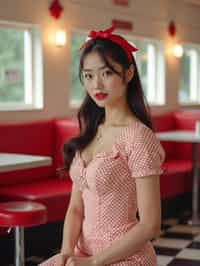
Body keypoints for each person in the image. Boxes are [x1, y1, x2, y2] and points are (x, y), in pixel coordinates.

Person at [40, 25, 165, 266]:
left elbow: (151, 225)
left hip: (124, 256)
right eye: (88, 75)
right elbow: (76, 208)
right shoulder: (90, 131)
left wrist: (94, 262)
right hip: (81, 253)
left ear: (128, 74)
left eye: (106, 73)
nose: (96, 84)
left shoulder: (138, 137)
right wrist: (66, 254)